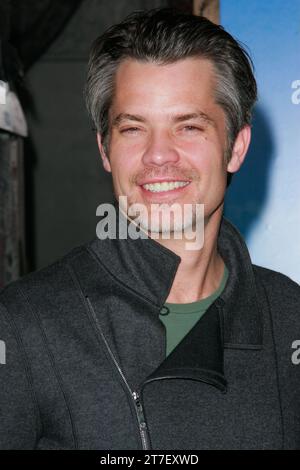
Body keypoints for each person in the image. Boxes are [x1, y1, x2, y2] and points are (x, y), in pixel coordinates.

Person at [0, 8, 299, 450]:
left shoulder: (290, 317)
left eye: (189, 127)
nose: (159, 155)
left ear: (235, 147)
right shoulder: (24, 327)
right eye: (134, 129)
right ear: (105, 150)